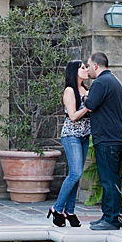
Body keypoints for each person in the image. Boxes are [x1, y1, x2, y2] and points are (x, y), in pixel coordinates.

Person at [84, 52, 122, 231]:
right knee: (110, 179)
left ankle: (111, 220)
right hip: (114, 138)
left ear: (96, 65)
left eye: (88, 66)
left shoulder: (101, 82)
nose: (87, 70)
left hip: (108, 139)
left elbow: (90, 105)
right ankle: (107, 215)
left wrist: (85, 96)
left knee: (109, 180)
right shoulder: (113, 81)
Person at [47, 60, 91, 228]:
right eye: (82, 68)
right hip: (71, 135)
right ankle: (57, 208)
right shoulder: (69, 90)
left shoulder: (86, 89)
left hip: (85, 136)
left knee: (77, 175)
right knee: (75, 173)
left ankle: (70, 211)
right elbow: (72, 116)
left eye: (86, 67)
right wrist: (88, 106)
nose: (86, 70)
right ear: (74, 71)